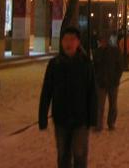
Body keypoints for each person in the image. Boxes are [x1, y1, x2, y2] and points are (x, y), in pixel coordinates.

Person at [39, 26, 97, 168]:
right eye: (65, 39)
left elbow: (92, 92)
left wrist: (93, 118)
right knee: (63, 154)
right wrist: (42, 117)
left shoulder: (86, 64)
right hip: (61, 117)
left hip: (80, 118)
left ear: (78, 42)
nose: (68, 43)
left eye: (72, 39)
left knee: (79, 153)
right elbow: (47, 91)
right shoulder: (55, 64)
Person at [92, 35, 123, 132]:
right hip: (102, 82)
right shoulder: (97, 52)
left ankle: (109, 123)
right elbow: (95, 67)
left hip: (111, 81)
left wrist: (116, 78)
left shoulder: (114, 51)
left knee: (111, 104)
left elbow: (119, 67)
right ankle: (101, 124)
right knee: (101, 105)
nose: (101, 43)